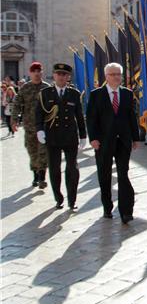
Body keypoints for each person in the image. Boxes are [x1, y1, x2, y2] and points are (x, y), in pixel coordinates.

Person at [86, 62, 139, 224]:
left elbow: (132, 117)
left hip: (123, 140)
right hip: (103, 142)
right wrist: (93, 138)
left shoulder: (128, 94)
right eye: (112, 74)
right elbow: (91, 118)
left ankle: (126, 212)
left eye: (118, 74)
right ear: (106, 76)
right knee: (104, 175)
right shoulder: (96, 95)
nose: (116, 77)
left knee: (123, 174)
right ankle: (107, 207)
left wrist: (135, 138)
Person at [36, 63, 86, 211]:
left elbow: (79, 116)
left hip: (70, 136)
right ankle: (58, 198)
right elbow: (39, 114)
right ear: (54, 75)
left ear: (68, 77)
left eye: (64, 74)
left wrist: (83, 135)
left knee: (72, 168)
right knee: (54, 169)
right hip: (52, 136)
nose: (61, 77)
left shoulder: (74, 94)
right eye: (58, 74)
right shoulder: (45, 93)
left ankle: (72, 200)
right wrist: (40, 130)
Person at [11, 62, 50, 188]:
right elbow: (17, 104)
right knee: (32, 151)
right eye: (34, 71)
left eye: (39, 71)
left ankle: (42, 177)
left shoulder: (47, 88)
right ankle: (35, 175)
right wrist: (14, 119)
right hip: (29, 126)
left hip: (44, 127)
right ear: (30, 73)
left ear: (42, 72)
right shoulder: (25, 88)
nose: (37, 73)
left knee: (43, 152)